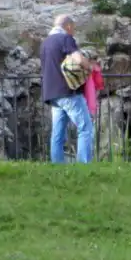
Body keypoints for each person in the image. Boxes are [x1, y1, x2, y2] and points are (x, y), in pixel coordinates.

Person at [40, 14, 94, 164]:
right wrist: (90, 67)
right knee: (85, 128)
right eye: (73, 28)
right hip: (68, 92)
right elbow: (78, 59)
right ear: (68, 26)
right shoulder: (65, 39)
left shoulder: (45, 43)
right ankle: (84, 164)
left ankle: (57, 165)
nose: (74, 32)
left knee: (57, 134)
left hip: (51, 94)